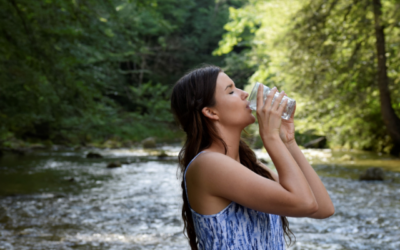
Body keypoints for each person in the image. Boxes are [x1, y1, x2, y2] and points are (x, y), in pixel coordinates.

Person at [170, 65, 334, 250]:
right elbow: (304, 203)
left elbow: (322, 208)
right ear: (211, 112)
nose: (245, 94)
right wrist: (270, 137)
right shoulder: (208, 164)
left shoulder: (250, 166)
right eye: (231, 91)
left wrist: (287, 141)